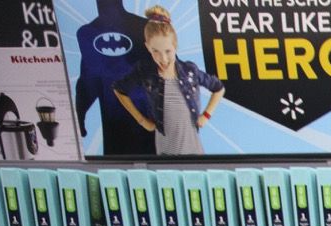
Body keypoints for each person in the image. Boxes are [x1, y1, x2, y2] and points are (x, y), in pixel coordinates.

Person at [112, 5, 222, 157]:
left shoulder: (190, 70)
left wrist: (206, 115)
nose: (163, 59)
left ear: (175, 46)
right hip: (165, 151)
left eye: (168, 51)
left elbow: (218, 88)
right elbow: (119, 89)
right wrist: (142, 121)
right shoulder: (145, 71)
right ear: (147, 47)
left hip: (193, 151)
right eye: (155, 51)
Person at [73, 0, 153, 157]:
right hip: (117, 130)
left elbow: (172, 74)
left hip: (149, 125)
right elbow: (88, 82)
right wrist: (79, 116)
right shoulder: (90, 33)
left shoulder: (145, 27)